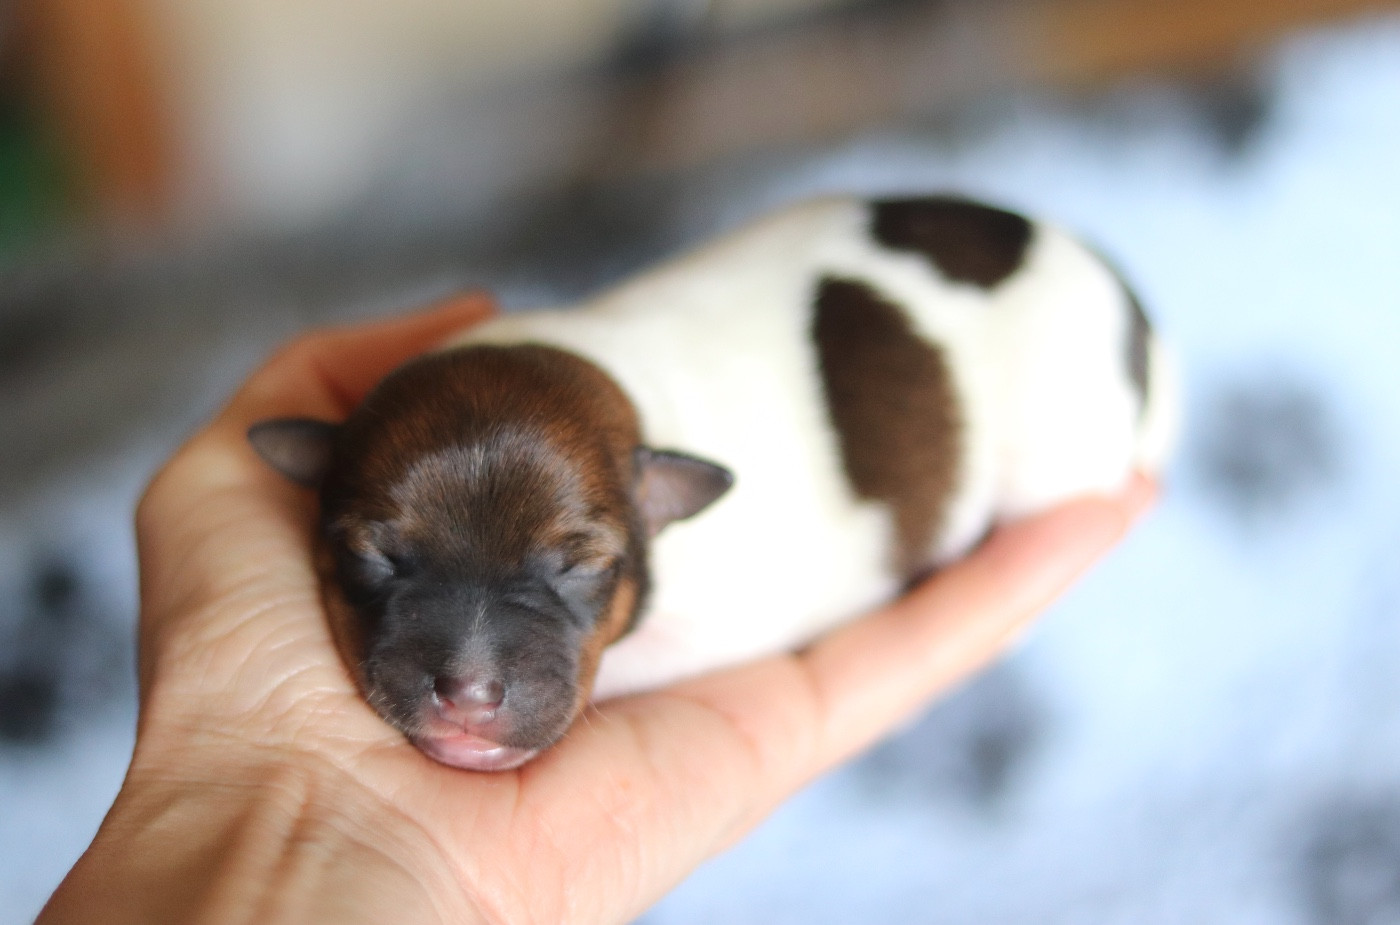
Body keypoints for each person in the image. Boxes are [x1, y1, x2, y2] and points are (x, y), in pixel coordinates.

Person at [37, 294, 1155, 924]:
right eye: (383, 558)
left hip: (1044, 336)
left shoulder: (692, 516)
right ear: (314, 479)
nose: (469, 677)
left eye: (566, 570)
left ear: (658, 505)